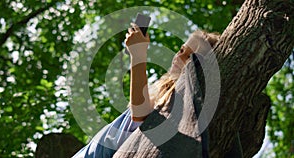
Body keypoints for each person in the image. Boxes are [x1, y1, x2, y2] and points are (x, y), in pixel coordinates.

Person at [73, 23, 220, 158]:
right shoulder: (165, 89)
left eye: (189, 56)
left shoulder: (181, 97)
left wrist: (138, 54)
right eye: (181, 50)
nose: (179, 56)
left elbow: (140, 112)